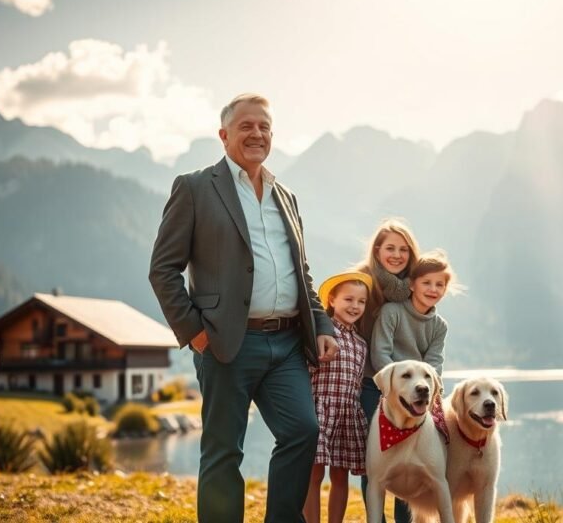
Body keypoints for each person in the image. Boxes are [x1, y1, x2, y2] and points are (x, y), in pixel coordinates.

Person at [149, 93, 338, 523]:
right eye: (246, 126)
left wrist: (321, 322)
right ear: (224, 135)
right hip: (225, 342)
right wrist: (197, 334)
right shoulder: (195, 187)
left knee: (302, 432)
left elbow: (301, 272)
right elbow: (162, 270)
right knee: (222, 451)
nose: (257, 134)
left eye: (265, 127)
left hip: (288, 343)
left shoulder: (285, 196)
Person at [354, 220, 421, 523]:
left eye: (403, 249)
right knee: (376, 458)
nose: (396, 255)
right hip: (371, 382)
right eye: (390, 248)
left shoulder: (414, 287)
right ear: (377, 250)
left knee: (409, 459)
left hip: (410, 389)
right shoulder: (362, 281)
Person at [304, 271, 373, 523]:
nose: (355, 306)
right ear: (332, 300)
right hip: (319, 408)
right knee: (313, 473)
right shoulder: (322, 331)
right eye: (348, 299)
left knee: (341, 475)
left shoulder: (361, 344)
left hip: (347, 413)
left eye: (361, 301)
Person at [370, 250, 458, 444]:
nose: (433, 289)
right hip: (389, 389)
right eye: (426, 283)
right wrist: (398, 386)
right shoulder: (392, 312)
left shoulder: (439, 326)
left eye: (439, 285)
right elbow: (379, 354)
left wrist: (425, 388)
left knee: (443, 439)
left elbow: (434, 365)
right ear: (411, 284)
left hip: (421, 392)